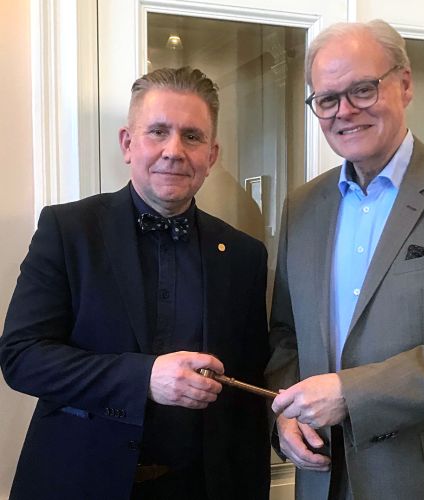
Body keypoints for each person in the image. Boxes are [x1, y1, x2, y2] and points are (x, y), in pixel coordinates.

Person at [265, 20, 424, 500]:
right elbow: (285, 336)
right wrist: (284, 413)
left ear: (404, 84)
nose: (345, 111)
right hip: (321, 477)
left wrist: (351, 394)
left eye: (363, 89)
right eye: (327, 99)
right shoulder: (301, 207)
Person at [0, 67, 270, 500]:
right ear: (128, 143)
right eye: (158, 131)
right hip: (77, 484)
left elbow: (246, 395)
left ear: (212, 155)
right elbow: (21, 356)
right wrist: (144, 377)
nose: (174, 151)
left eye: (192, 136)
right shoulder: (67, 230)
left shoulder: (244, 255)